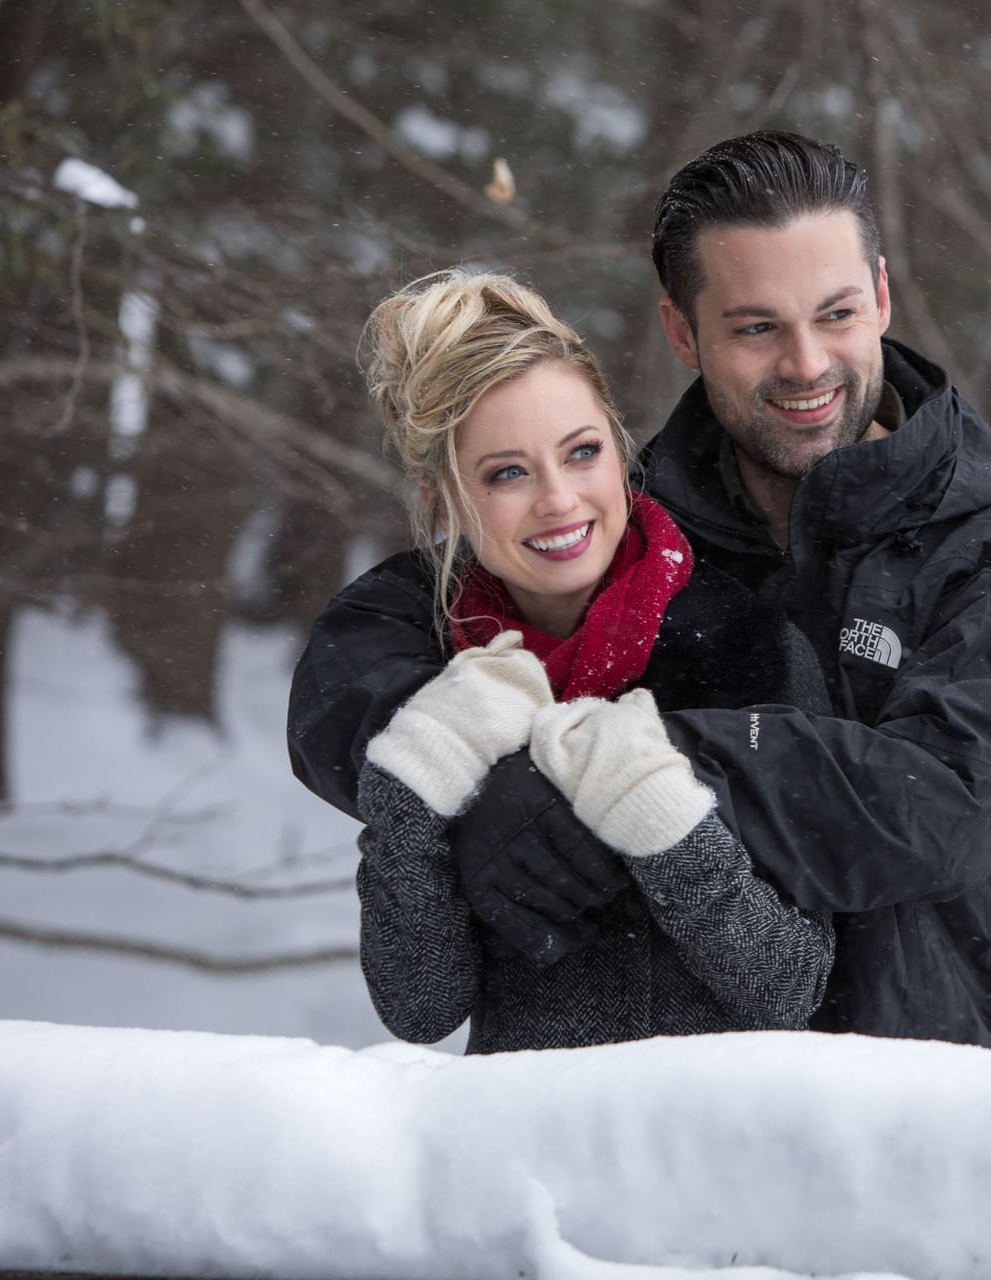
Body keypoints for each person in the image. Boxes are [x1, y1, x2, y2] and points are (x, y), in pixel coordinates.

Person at [290, 131, 991, 1057]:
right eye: (757, 327)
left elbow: (944, 804)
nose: (806, 364)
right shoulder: (634, 521)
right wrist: (469, 776)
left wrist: (631, 764)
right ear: (683, 331)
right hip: (671, 1130)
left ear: (882, 295)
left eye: (836, 314)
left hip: (931, 1096)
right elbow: (368, 651)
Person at [340, 269, 834, 1053]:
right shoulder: (436, 677)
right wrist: (413, 790)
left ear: (618, 448)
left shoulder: (750, 647)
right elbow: (420, 1007)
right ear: (444, 502)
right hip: (523, 1149)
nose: (560, 500)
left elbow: (793, 985)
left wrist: (664, 822)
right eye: (508, 472)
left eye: (581, 453)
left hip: (712, 1147)